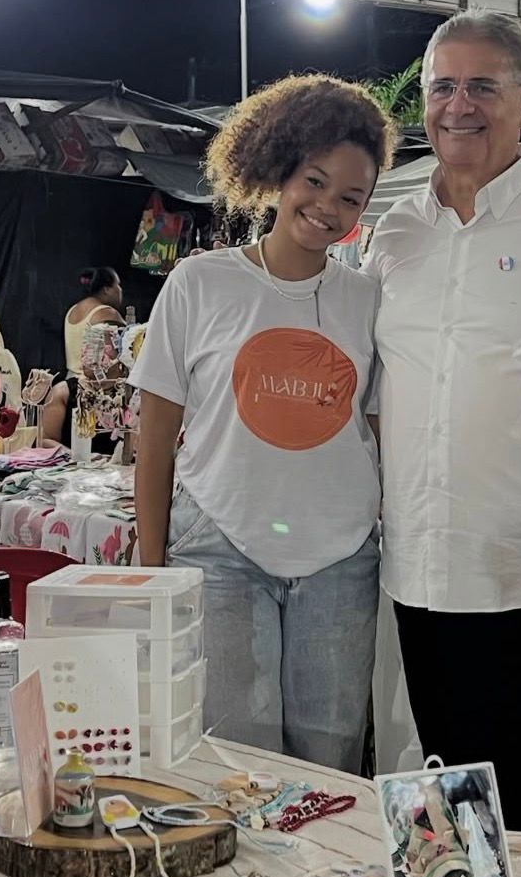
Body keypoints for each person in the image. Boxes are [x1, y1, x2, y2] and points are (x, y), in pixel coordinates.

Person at [367, 10, 521, 841]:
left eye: (481, 87)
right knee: (453, 823)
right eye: (442, 87)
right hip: (421, 575)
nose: (457, 106)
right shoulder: (394, 232)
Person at [130, 74, 395, 771]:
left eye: (351, 198)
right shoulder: (199, 283)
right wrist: (153, 572)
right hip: (218, 550)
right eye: (315, 181)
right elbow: (153, 442)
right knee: (233, 764)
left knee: (331, 762)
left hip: (341, 561)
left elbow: (379, 433)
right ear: (279, 171)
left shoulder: (368, 300)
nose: (327, 207)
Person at [41, 266, 128, 445]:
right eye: (118, 285)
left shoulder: (73, 310)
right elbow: (129, 345)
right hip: (95, 390)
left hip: (71, 384)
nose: (120, 290)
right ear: (106, 289)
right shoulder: (107, 313)